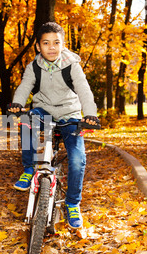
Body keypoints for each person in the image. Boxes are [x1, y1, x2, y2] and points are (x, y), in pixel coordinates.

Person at [8, 22, 99, 229]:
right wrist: (17, 104)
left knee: (77, 160)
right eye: (46, 43)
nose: (51, 47)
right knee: (26, 120)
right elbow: (24, 87)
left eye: (56, 43)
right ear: (38, 46)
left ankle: (73, 204)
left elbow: (84, 91)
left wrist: (90, 115)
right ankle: (29, 168)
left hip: (70, 115)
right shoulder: (33, 67)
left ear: (63, 44)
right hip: (44, 112)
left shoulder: (72, 65)